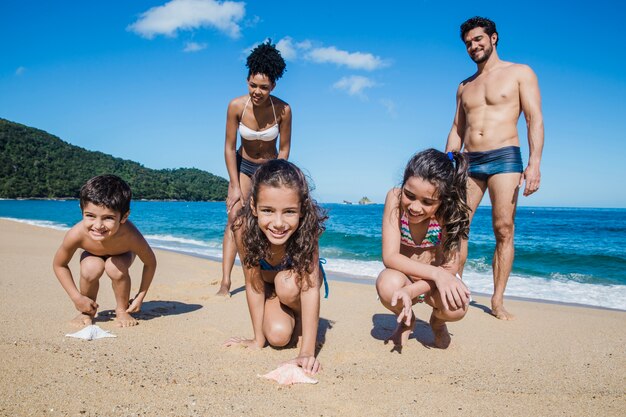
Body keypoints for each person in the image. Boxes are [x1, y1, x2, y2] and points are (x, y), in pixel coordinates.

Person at [445, 16, 544, 320]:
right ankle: (454, 288)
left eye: (478, 40)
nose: (473, 46)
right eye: (468, 43)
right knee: (457, 225)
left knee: (503, 228)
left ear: (493, 38)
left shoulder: (519, 73)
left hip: (505, 157)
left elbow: (533, 118)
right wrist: (445, 164)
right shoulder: (464, 86)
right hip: (468, 161)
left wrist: (534, 163)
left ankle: (497, 300)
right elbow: (457, 129)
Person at [223, 159, 327, 374]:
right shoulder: (242, 229)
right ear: (253, 207)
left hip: (297, 286)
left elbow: (309, 290)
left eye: (289, 211)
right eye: (268, 210)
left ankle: (300, 320)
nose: (278, 223)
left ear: (301, 209)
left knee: (286, 283)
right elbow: (253, 284)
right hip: (268, 289)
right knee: (278, 337)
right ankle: (284, 318)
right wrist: (257, 339)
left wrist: (307, 351)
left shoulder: (308, 230)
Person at [216, 40, 292, 297]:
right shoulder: (236, 106)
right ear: (247, 80)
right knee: (234, 217)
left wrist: (278, 178)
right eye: (252, 85)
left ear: (273, 86)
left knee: (264, 220)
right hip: (243, 166)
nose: (257, 91)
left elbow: (284, 150)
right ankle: (226, 282)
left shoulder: (283, 109)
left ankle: (264, 272)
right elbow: (228, 147)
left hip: (269, 170)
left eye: (264, 87)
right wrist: (235, 186)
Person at [376, 149, 471, 349]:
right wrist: (431, 276)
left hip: (434, 284)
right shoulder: (394, 198)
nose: (415, 207)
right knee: (387, 285)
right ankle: (406, 321)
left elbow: (451, 267)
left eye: (428, 202)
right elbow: (390, 257)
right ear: (403, 184)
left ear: (443, 200)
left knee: (457, 306)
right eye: (409, 195)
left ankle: (437, 322)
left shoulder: (448, 212)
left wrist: (416, 289)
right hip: (406, 275)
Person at [52, 175, 157, 327]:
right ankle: (87, 311)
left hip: (121, 255)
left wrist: (140, 296)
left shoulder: (130, 235)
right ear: (82, 210)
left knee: (114, 268)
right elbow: (59, 265)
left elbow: (150, 263)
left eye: (108, 218)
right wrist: (77, 298)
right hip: (92, 255)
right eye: (90, 216)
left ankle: (122, 310)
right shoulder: (77, 234)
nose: (98, 225)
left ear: (124, 216)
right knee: (90, 268)